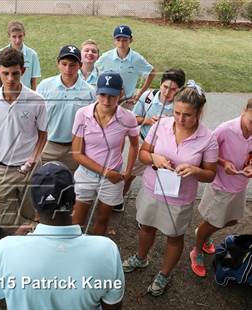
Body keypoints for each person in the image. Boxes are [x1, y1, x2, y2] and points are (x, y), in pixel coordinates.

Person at [0, 162, 125, 309]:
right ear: (74, 201)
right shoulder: (107, 250)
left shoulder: (5, 249)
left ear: (35, 206)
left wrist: (15, 242)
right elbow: (113, 305)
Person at [122, 81, 218, 296]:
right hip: (151, 189)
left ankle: (164, 273)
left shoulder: (208, 138)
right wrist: (154, 157)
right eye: (176, 112)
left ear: (199, 112)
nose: (180, 119)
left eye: (187, 115)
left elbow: (211, 174)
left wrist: (194, 170)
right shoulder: (161, 125)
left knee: (174, 237)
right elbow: (143, 154)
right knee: (146, 226)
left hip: (180, 198)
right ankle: (141, 257)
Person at [0, 47, 47, 231]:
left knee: (31, 213)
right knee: (7, 220)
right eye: (5, 73)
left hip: (29, 170)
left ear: (23, 70)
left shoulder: (36, 100)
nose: (10, 79)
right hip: (1, 169)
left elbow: (43, 134)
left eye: (15, 73)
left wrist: (34, 159)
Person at [190, 98, 252, 277]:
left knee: (231, 220)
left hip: (239, 186)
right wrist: (224, 163)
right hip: (221, 186)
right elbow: (207, 152)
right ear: (243, 110)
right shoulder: (226, 129)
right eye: (251, 121)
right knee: (213, 222)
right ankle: (197, 251)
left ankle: (204, 234)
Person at [71, 71, 138, 235]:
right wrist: (106, 172)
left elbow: (135, 145)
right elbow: (77, 153)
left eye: (112, 96)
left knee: (102, 220)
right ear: (97, 92)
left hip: (112, 179)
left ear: (121, 94)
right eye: (102, 94)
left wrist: (128, 172)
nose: (107, 100)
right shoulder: (82, 114)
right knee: (77, 221)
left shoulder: (128, 118)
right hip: (88, 175)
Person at [123, 69, 186, 196]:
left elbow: (186, 128)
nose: (167, 92)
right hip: (144, 143)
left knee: (162, 179)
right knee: (130, 174)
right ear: (160, 84)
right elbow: (133, 119)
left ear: (180, 90)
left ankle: (156, 202)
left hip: (165, 148)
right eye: (165, 87)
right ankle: (119, 198)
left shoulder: (180, 105)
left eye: (173, 89)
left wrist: (168, 123)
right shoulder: (148, 97)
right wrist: (147, 120)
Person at [37, 45, 96, 172]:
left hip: (74, 148)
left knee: (70, 186)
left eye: (72, 65)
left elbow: (91, 124)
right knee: (43, 184)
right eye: (64, 64)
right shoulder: (44, 86)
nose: (68, 69)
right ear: (57, 63)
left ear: (80, 65)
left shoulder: (89, 92)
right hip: (48, 146)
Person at [95, 25, 155, 110]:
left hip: (126, 102)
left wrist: (139, 94)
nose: (121, 44)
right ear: (114, 41)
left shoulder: (137, 59)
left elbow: (152, 71)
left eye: (125, 40)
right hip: (107, 101)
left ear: (131, 40)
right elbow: (95, 69)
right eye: (118, 40)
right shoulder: (106, 57)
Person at [0, 20, 41, 90]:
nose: (17, 40)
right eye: (14, 36)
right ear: (9, 36)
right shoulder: (0, 53)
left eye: (20, 36)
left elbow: (33, 81)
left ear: (24, 35)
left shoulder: (32, 55)